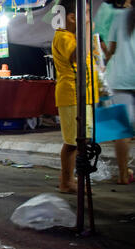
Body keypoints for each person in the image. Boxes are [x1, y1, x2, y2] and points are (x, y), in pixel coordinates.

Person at [52, 0, 99, 194]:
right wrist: (86, 29)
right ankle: (67, 181)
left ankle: (70, 178)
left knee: (81, 140)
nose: (89, 18)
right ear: (72, 17)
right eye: (86, 14)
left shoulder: (71, 35)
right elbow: (76, 56)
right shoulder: (63, 37)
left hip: (83, 96)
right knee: (73, 142)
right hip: (72, 95)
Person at [105, 0, 135, 184]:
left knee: (122, 130)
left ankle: (123, 174)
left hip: (120, 78)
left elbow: (111, 49)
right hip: (124, 78)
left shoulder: (119, 16)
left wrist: (103, 58)